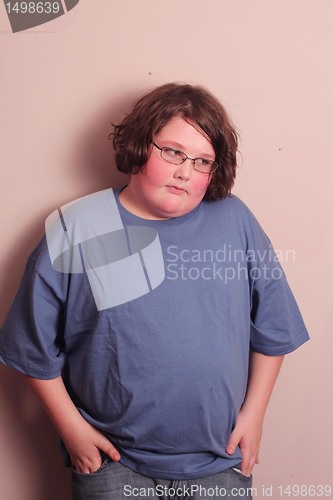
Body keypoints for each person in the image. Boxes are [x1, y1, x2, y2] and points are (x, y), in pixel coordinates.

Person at [0, 83, 309, 500]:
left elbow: (275, 327)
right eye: (173, 152)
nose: (185, 171)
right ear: (139, 144)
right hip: (113, 464)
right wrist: (72, 432)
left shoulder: (234, 221)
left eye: (202, 161)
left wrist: (254, 415)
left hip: (219, 460)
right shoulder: (79, 226)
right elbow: (30, 348)